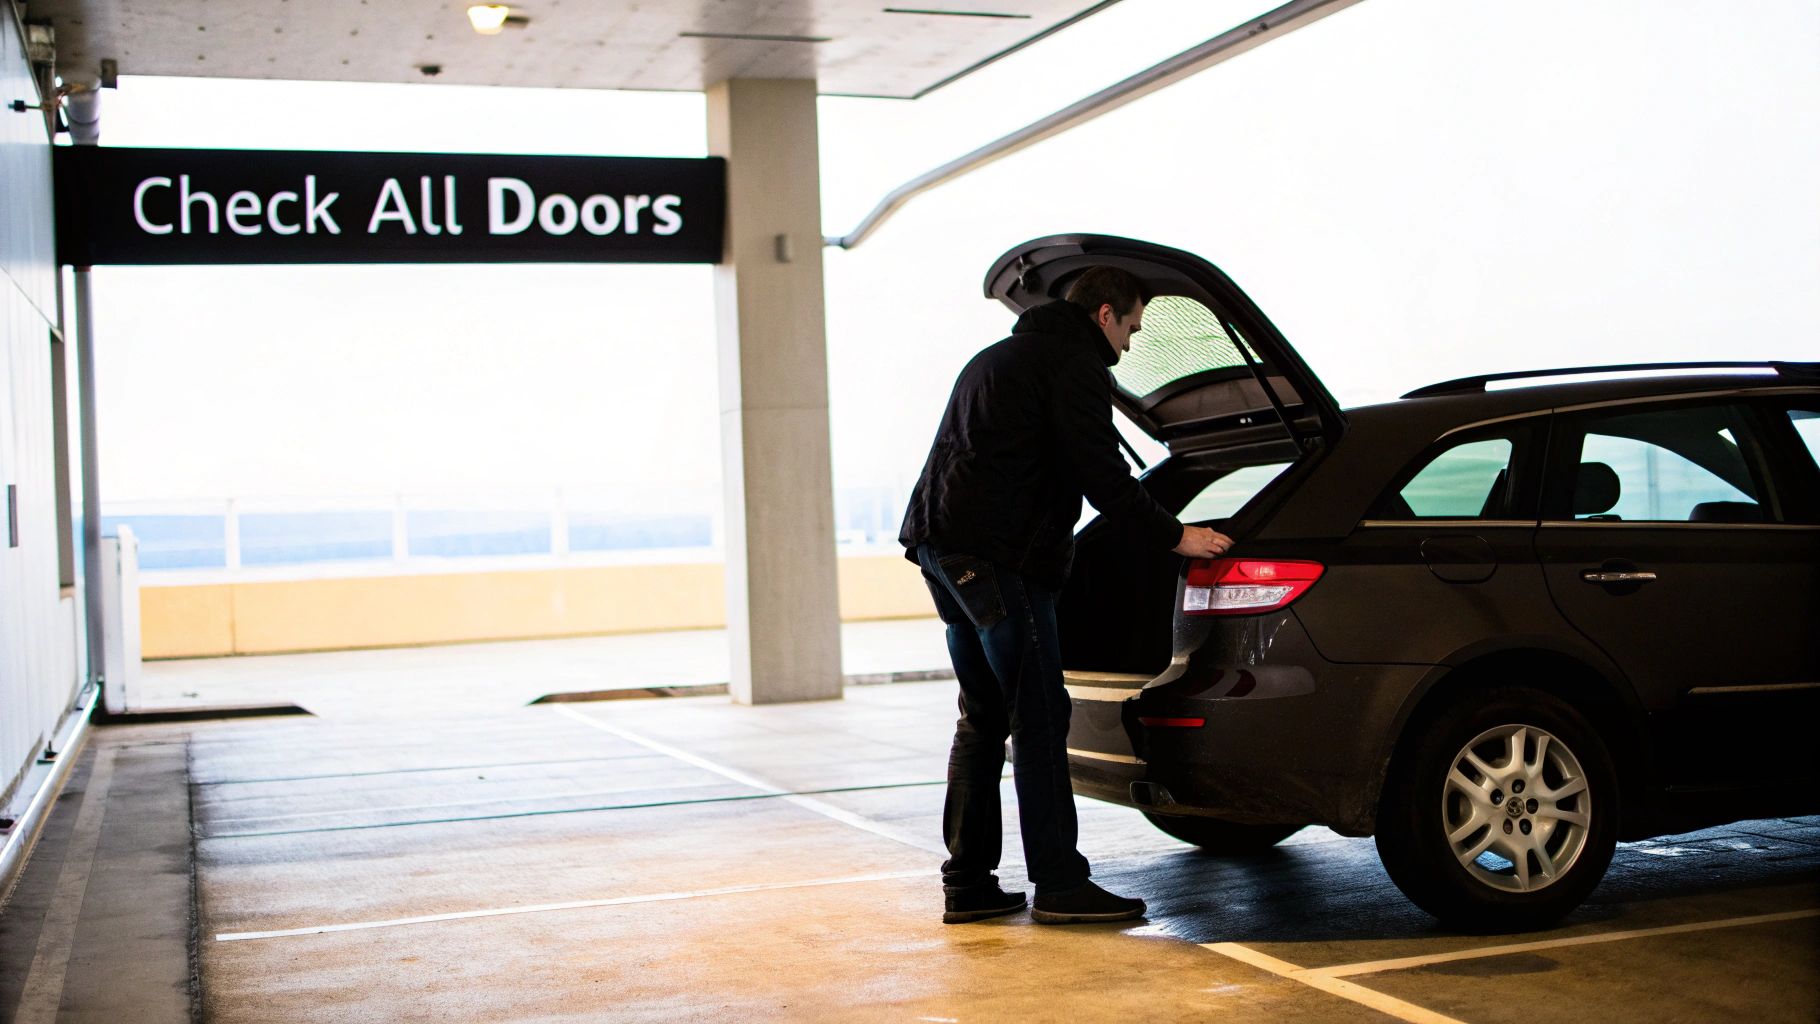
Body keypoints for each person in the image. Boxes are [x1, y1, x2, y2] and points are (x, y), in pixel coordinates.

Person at [900, 265, 1233, 925]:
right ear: (1105, 314)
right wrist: (1177, 536)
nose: (1132, 345)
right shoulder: (1073, 365)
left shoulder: (999, 358)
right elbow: (1103, 475)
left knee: (984, 716)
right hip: (998, 558)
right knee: (1041, 715)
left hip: (942, 551)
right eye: (1132, 327)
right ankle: (1059, 884)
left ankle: (967, 883)